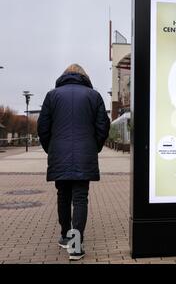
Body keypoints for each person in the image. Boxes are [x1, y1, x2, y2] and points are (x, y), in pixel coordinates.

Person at [37, 64, 110, 260]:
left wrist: (50, 148)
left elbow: (42, 127)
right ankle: (76, 246)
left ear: (64, 76)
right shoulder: (94, 96)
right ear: (85, 76)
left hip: (59, 153)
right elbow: (103, 126)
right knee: (80, 198)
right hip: (84, 153)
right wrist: (93, 147)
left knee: (62, 195)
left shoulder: (52, 96)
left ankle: (64, 235)